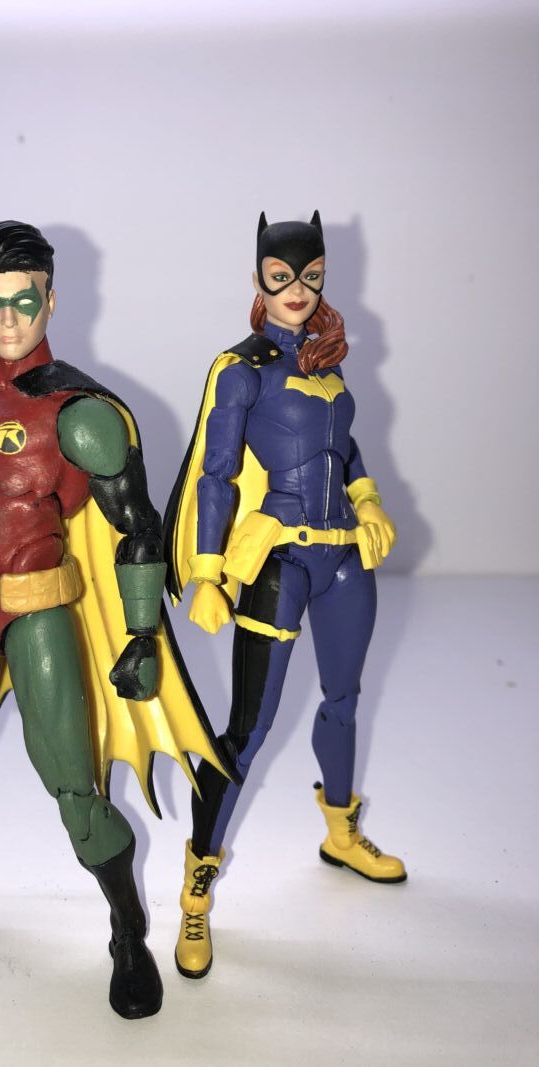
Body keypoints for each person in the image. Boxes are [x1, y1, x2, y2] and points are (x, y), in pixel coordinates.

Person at [0, 220, 226, 1019]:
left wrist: (141, 633)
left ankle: (127, 932)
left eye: (24, 302)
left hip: (38, 611)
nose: (9, 319)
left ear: (51, 300)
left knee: (75, 790)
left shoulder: (78, 413)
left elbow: (138, 528)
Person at [164, 210, 406, 981]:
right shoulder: (243, 367)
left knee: (344, 698)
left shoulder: (329, 364)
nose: (296, 289)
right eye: (280, 276)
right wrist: (208, 570)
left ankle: (341, 829)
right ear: (259, 279)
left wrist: (368, 499)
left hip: (344, 557)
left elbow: (346, 447)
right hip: (280, 561)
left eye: (311, 276)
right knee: (247, 728)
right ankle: (197, 882)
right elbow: (215, 472)